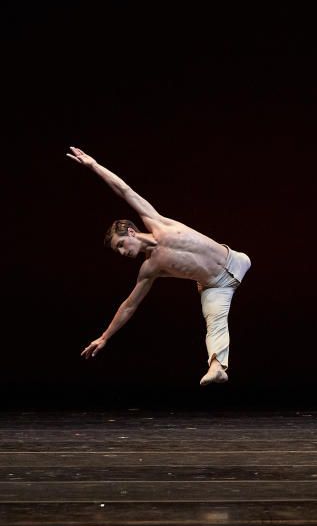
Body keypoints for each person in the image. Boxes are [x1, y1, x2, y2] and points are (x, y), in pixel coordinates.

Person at [67, 146, 251, 386]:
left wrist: (94, 166)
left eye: (122, 244)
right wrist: (105, 337)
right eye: (117, 250)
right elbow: (129, 306)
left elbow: (124, 190)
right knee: (214, 323)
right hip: (216, 286)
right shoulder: (149, 269)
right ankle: (217, 368)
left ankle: (217, 366)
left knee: (248, 262)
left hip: (235, 260)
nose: (122, 252)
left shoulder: (156, 222)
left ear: (132, 232)